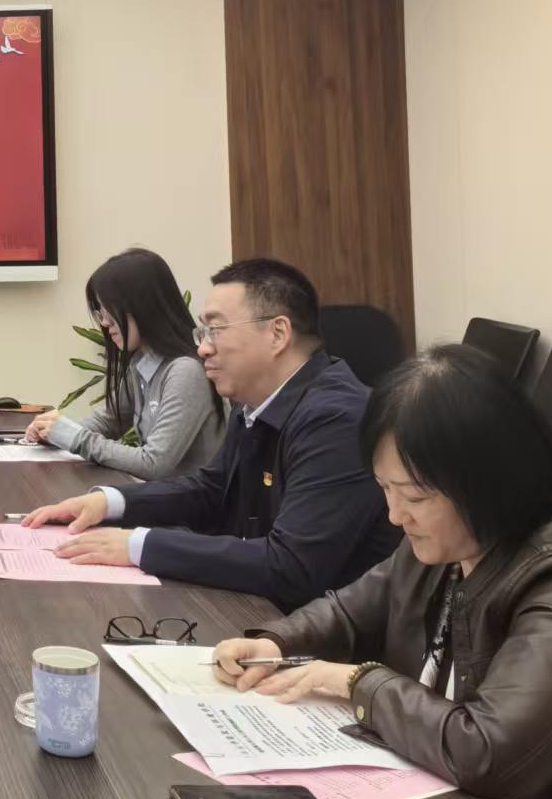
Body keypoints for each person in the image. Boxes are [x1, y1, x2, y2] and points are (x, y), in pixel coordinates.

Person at [211, 346, 552, 799]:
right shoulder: (448, 541)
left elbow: (488, 751)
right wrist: (275, 643)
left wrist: (357, 682)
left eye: (415, 497)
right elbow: (348, 612)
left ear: (491, 483)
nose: (395, 516)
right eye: (385, 489)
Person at [24, 258, 399, 612]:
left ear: (277, 333)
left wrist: (140, 545)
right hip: (257, 611)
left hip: (325, 638)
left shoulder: (337, 419)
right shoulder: (255, 401)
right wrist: (110, 502)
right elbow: (212, 490)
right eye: (201, 332)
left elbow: (290, 565)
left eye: (215, 330)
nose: (202, 348)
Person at [21, 247, 224, 478]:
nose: (105, 323)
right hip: (158, 494)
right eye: (100, 313)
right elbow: (110, 421)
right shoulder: (142, 362)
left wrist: (74, 437)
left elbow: (154, 463)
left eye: (109, 312)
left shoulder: (186, 371)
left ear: (143, 306)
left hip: (187, 500)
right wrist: (54, 433)